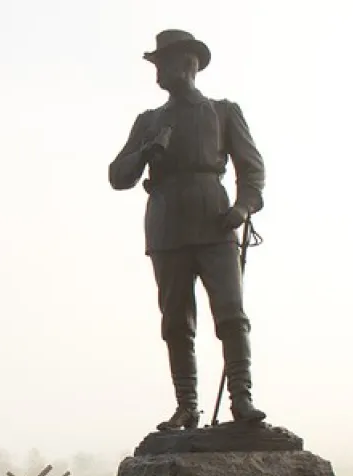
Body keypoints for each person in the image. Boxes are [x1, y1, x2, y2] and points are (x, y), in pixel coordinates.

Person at [107, 29, 267, 430]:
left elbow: (252, 170)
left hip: (215, 223)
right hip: (166, 228)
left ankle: (242, 400)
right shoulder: (148, 122)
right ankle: (187, 406)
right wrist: (147, 151)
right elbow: (117, 175)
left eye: (163, 63)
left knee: (231, 315)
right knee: (176, 322)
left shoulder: (224, 112)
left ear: (188, 65)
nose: (157, 71)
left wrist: (243, 207)